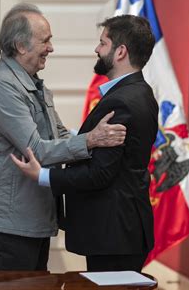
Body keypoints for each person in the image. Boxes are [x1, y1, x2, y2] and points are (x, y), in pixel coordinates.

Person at [0, 3, 127, 271]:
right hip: (7, 223)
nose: (51, 48)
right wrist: (92, 140)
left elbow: (60, 135)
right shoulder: (1, 87)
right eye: (46, 40)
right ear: (21, 46)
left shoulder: (33, 84)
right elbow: (36, 150)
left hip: (29, 217)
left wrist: (94, 135)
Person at [12, 14, 159, 272]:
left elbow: (100, 173)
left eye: (103, 43)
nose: (96, 49)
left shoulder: (121, 101)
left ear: (120, 51)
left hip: (114, 233)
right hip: (122, 229)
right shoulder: (139, 92)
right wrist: (75, 137)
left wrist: (43, 176)